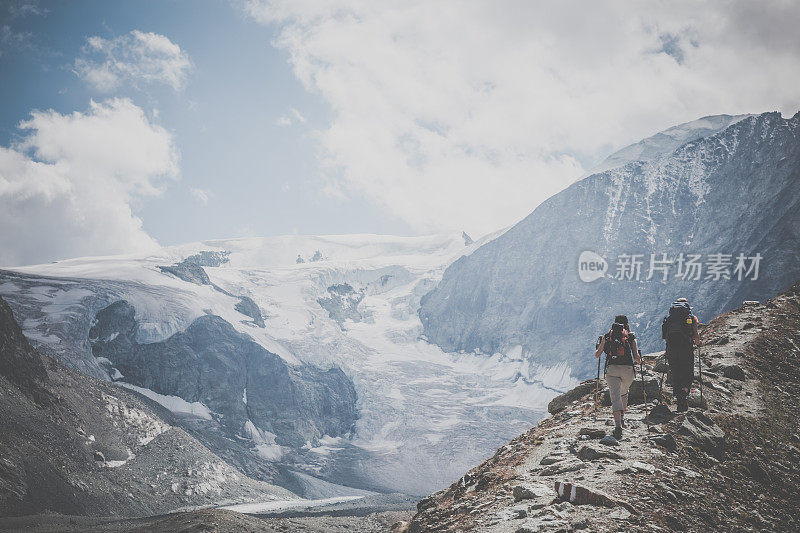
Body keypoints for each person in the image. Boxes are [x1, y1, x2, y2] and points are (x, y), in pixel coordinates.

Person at [595, 314, 641, 439]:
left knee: (615, 397)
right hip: (627, 369)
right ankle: (622, 418)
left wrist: (599, 344)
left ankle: (618, 426)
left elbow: (597, 355)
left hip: (612, 369)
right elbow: (636, 357)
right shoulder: (631, 336)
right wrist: (641, 361)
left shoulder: (607, 336)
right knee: (624, 393)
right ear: (627, 324)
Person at [661, 297, 701, 412]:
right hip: (686, 348)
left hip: (672, 350)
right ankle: (684, 393)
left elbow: (666, 338)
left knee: (675, 372)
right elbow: (696, 336)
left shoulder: (668, 319)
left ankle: (679, 399)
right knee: (687, 372)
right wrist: (698, 343)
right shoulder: (691, 318)